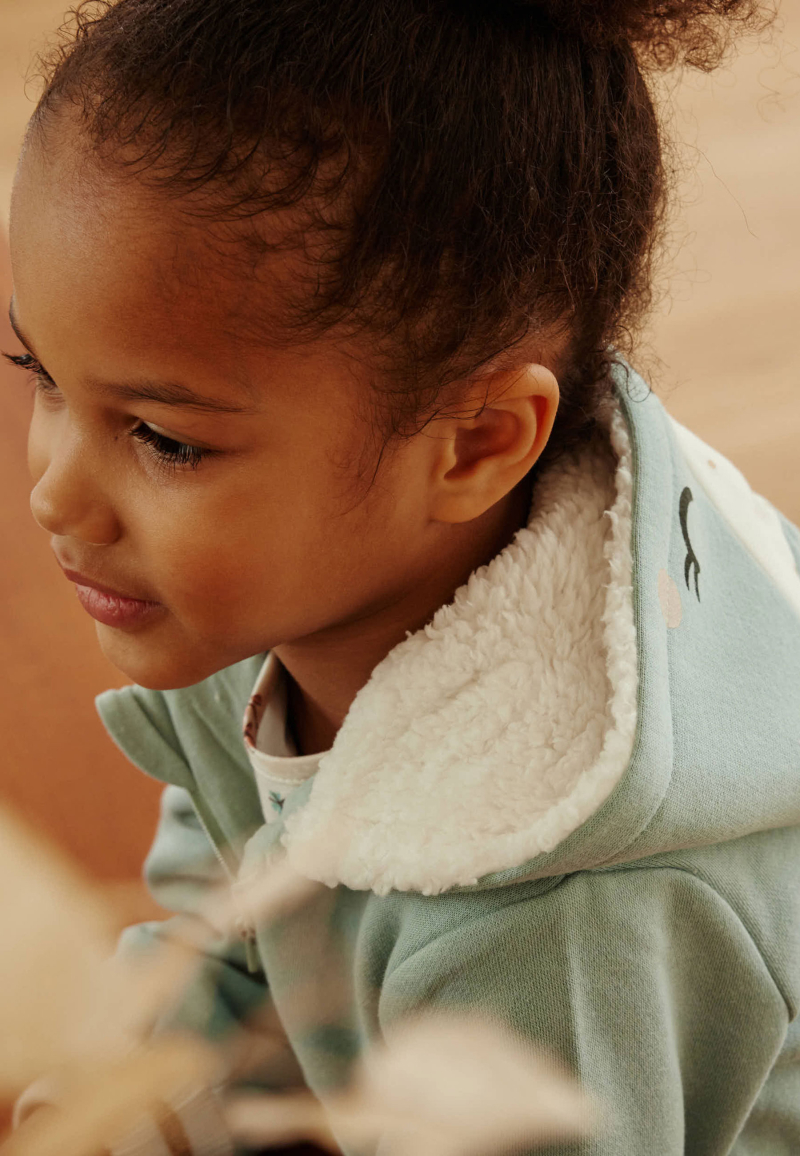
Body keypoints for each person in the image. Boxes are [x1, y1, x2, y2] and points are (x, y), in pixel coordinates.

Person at [7, 0, 800, 1152]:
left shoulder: (550, 932)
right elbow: (226, 934)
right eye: (39, 374)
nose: (53, 495)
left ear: (476, 444)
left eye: (165, 440)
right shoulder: (256, 599)